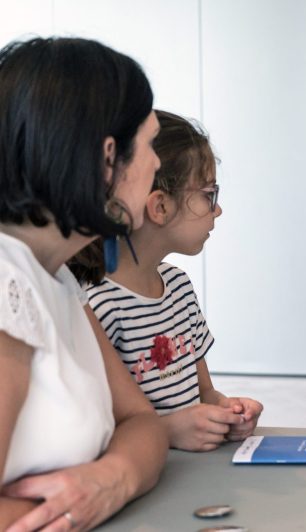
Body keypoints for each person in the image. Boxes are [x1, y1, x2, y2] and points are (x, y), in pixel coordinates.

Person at [0, 37, 168, 530]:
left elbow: (142, 423)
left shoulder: (56, 276)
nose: (157, 164)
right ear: (108, 155)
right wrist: (86, 498)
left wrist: (111, 478)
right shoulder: (7, 285)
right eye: (151, 143)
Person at [70, 110, 263, 452]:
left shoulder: (179, 287)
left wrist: (226, 412)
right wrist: (167, 431)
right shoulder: (96, 305)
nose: (217, 210)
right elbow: (96, 434)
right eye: (209, 194)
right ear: (159, 207)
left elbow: (204, 393)